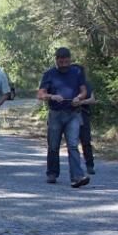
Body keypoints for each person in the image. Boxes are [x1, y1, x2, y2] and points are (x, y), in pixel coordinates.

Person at [38, 47, 90, 188]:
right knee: (53, 145)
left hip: (73, 113)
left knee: (73, 145)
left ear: (69, 59)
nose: (63, 63)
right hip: (55, 113)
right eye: (61, 60)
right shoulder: (49, 74)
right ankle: (52, 172)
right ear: (56, 60)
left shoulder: (77, 72)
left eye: (66, 60)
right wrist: (52, 96)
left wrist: (79, 98)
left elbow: (84, 91)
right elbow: (40, 94)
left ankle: (77, 177)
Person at [75, 66, 96, 175]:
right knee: (72, 142)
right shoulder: (70, 84)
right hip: (70, 114)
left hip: (83, 114)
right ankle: (75, 166)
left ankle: (90, 165)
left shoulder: (87, 84)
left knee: (86, 140)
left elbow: (93, 100)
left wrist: (81, 102)